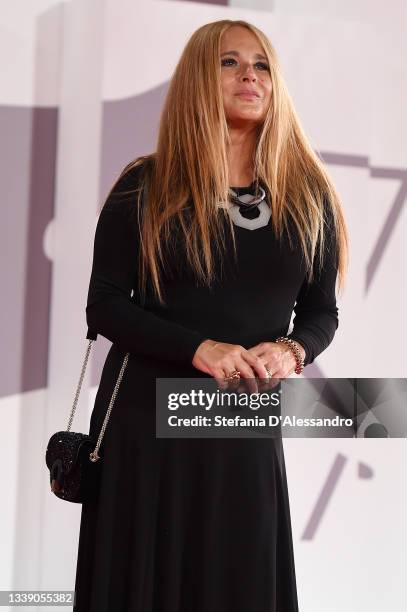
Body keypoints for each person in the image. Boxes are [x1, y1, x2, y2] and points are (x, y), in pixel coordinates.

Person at [73, 18, 348, 612]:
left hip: (239, 423)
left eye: (262, 64)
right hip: (145, 424)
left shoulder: (309, 195)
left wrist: (292, 350)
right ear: (199, 78)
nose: (250, 74)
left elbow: (321, 313)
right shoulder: (144, 187)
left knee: (239, 580)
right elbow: (105, 305)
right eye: (229, 62)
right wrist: (201, 349)